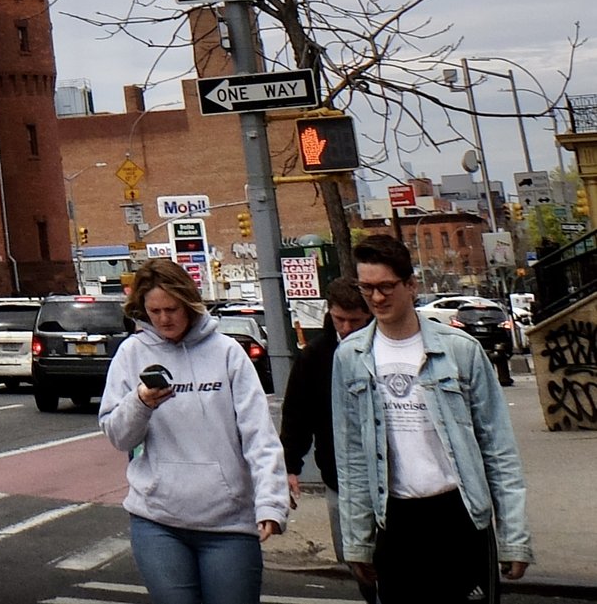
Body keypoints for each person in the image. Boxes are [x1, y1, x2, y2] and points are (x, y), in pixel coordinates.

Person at [334, 234, 530, 602]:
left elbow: (497, 447)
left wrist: (514, 537)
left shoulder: (460, 350)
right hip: (395, 520)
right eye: (368, 288)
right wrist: (357, 541)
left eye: (387, 287)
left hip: (460, 514)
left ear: (411, 285)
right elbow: (352, 456)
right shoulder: (350, 357)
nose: (377, 298)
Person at [102, 257, 290, 604]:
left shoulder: (227, 353)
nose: (164, 319)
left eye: (171, 309)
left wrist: (271, 503)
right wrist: (141, 403)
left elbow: (258, 435)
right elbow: (118, 436)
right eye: (154, 311)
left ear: (188, 303)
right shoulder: (132, 353)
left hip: (228, 524)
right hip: (157, 519)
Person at [283, 279, 376, 602]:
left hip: (390, 476)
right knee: (358, 560)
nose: (347, 328)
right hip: (340, 477)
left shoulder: (381, 347)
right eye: (340, 320)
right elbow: (297, 414)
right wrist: (289, 466)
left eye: (355, 321)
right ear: (330, 314)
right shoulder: (317, 355)